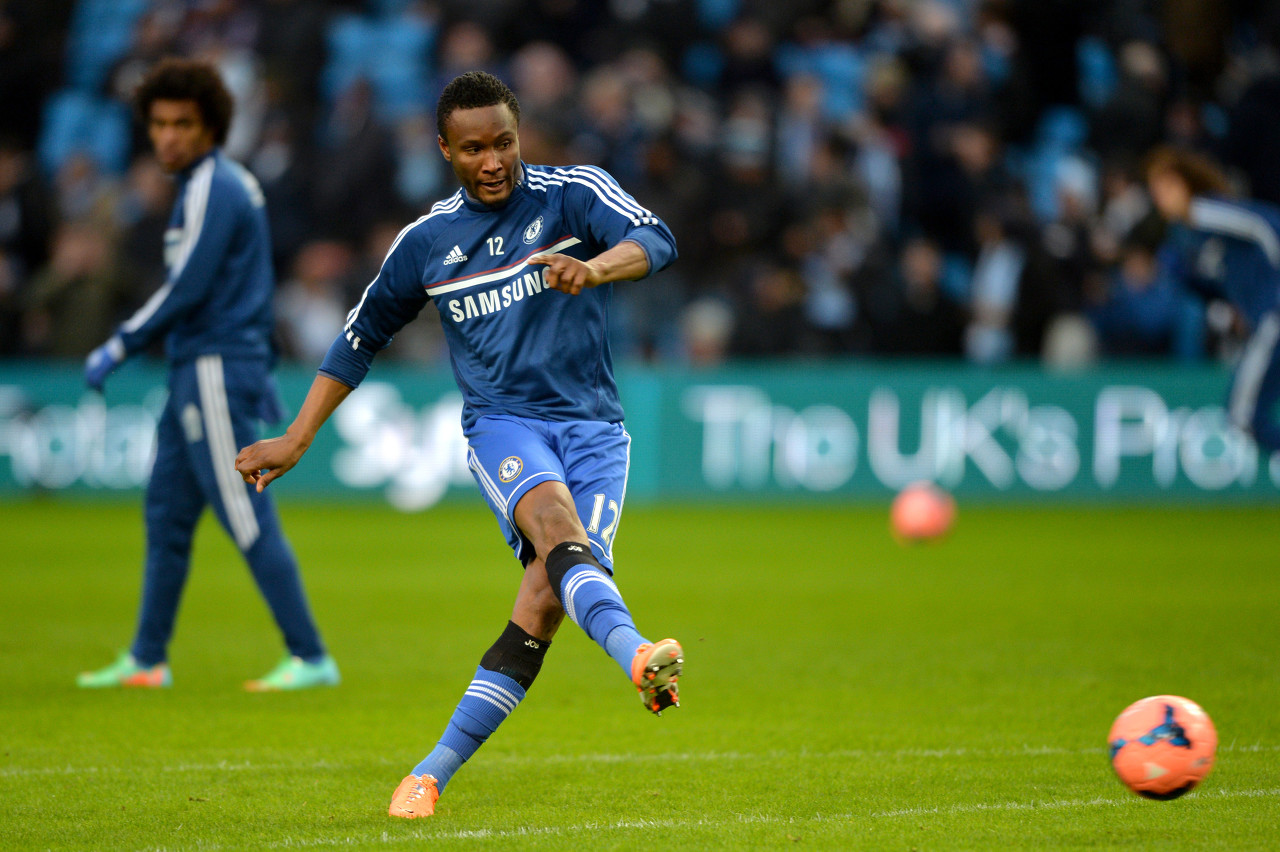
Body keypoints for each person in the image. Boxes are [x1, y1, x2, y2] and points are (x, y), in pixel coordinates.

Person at [234, 71, 683, 818]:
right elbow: (358, 338)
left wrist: (595, 266)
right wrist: (297, 436)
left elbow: (657, 239)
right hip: (505, 425)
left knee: (544, 598)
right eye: (474, 148)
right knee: (556, 530)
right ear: (445, 150)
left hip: (595, 430)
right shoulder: (426, 244)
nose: (493, 161)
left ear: (519, 134)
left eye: (504, 142)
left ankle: (429, 773)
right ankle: (637, 653)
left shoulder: (573, 195)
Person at [77, 58, 338, 692]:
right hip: (195, 368)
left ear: (211, 126)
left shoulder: (215, 187)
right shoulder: (205, 186)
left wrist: (121, 342)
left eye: (183, 124)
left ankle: (309, 657)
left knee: (245, 514)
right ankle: (147, 658)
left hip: (216, 368)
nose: (168, 137)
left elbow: (188, 287)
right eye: (159, 124)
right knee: (166, 516)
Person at [1146, 145, 1280, 451]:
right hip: (1261, 320)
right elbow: (1216, 286)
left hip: (1273, 315)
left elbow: (1264, 225)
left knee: (1242, 414)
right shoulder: (1185, 236)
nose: (1161, 196)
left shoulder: (1204, 210)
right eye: (1155, 190)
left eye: (1167, 186)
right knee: (1245, 416)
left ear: (1186, 182)